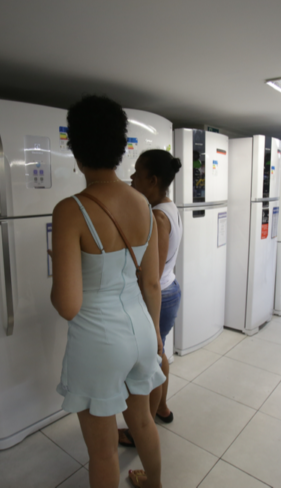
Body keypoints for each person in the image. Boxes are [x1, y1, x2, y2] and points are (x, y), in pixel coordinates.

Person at [50, 95, 166, 488]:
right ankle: (154, 484)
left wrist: (59, 267)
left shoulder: (70, 210)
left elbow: (68, 305)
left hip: (99, 340)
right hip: (141, 330)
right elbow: (151, 283)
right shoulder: (144, 203)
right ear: (120, 147)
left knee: (102, 452)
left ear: (75, 148)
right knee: (143, 421)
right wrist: (155, 336)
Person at [117, 149, 183, 448]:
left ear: (153, 180)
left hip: (159, 295)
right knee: (159, 355)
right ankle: (162, 408)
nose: (132, 177)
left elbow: (151, 275)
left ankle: (141, 429)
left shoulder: (157, 216)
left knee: (150, 365)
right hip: (169, 289)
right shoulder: (168, 206)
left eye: (137, 173)